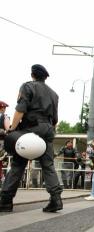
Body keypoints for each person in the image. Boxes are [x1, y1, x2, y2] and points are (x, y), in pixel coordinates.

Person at [0, 64, 63, 212]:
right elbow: (55, 120)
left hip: (30, 129)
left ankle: (6, 201)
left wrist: (12, 129)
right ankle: (56, 199)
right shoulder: (54, 94)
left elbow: (20, 110)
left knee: (18, 163)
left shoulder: (27, 87)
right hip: (47, 130)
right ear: (44, 77)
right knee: (48, 165)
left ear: (32, 74)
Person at [0, 101, 10, 181]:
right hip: (1, 142)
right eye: (4, 108)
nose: (5, 109)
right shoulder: (5, 117)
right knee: (0, 160)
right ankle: (1, 176)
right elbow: (8, 129)